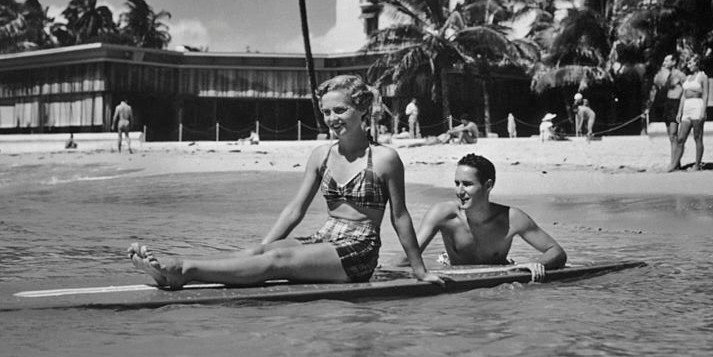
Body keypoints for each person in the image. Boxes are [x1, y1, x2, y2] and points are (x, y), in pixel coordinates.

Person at [128, 74, 442, 289]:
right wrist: (263, 246)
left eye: (340, 110)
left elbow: (399, 216)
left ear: (361, 108)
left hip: (358, 250)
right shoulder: (321, 155)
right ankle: (177, 273)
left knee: (278, 260)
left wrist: (419, 271)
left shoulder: (385, 159)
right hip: (325, 238)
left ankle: (182, 270)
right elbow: (295, 210)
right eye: (327, 112)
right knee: (261, 253)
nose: (332, 119)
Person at [408, 154, 566, 269]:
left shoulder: (512, 218)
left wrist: (536, 265)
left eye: (467, 184)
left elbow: (556, 252)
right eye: (457, 183)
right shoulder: (442, 214)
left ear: (488, 185)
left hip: (498, 273)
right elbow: (408, 256)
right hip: (454, 271)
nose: (459, 191)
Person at [669, 54, 709, 171]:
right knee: (681, 138)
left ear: (697, 63)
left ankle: (697, 164)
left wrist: (703, 111)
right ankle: (674, 164)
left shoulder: (703, 77)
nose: (688, 65)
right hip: (687, 107)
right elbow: (683, 96)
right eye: (688, 63)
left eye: (690, 63)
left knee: (697, 137)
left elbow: (706, 95)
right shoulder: (687, 78)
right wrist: (679, 112)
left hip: (697, 105)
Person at [648, 53, 685, 161]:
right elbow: (657, 88)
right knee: (670, 135)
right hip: (667, 103)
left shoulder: (680, 75)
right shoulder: (664, 75)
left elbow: (685, 91)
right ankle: (675, 161)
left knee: (674, 133)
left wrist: (681, 109)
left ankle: (675, 162)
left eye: (667, 61)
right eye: (664, 61)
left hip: (676, 103)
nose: (664, 63)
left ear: (673, 62)